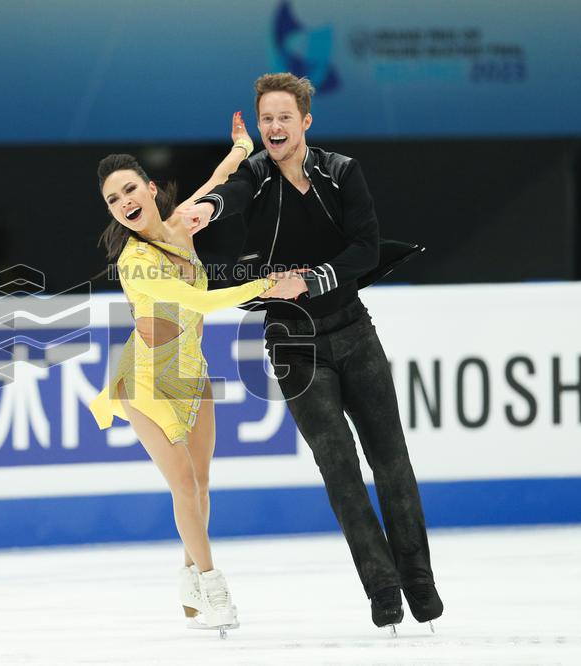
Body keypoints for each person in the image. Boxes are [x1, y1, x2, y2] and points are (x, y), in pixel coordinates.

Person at [176, 73, 441, 632]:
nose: (275, 127)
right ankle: (383, 587)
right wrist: (208, 210)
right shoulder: (256, 175)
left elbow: (365, 248)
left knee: (391, 459)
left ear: (305, 122)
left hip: (353, 330)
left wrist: (311, 280)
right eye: (266, 119)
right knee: (338, 467)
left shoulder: (341, 172)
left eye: (284, 118)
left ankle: (418, 579)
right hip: (292, 342)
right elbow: (231, 193)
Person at [88, 113, 305, 633]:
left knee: (202, 484)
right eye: (113, 200)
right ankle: (213, 584)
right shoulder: (135, 262)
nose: (123, 202)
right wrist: (264, 287)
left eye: (129, 189)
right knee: (183, 483)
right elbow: (197, 301)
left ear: (151, 190)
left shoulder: (181, 224)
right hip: (146, 381)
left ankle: (189, 582)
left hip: (192, 370)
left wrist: (240, 149)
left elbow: (215, 183)